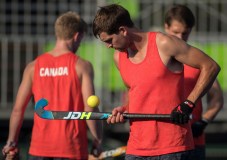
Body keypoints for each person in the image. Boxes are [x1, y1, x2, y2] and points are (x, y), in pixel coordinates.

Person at [92, 4, 220, 160]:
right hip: (136, 149)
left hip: (173, 149)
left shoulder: (164, 43)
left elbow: (211, 66)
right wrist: (124, 109)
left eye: (109, 40)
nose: (108, 46)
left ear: (122, 30)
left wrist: (189, 103)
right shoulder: (118, 58)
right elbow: (139, 96)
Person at [2, 11, 103, 160]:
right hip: (72, 148)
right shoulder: (82, 66)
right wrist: (98, 140)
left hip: (39, 148)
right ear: (77, 36)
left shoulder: (33, 66)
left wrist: (12, 142)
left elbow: (18, 110)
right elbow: (90, 108)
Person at [164, 4, 224, 160]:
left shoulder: (198, 62)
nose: (180, 38)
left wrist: (203, 122)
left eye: (185, 33)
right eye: (175, 32)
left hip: (192, 143)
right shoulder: (155, 59)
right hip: (160, 143)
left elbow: (217, 98)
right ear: (166, 27)